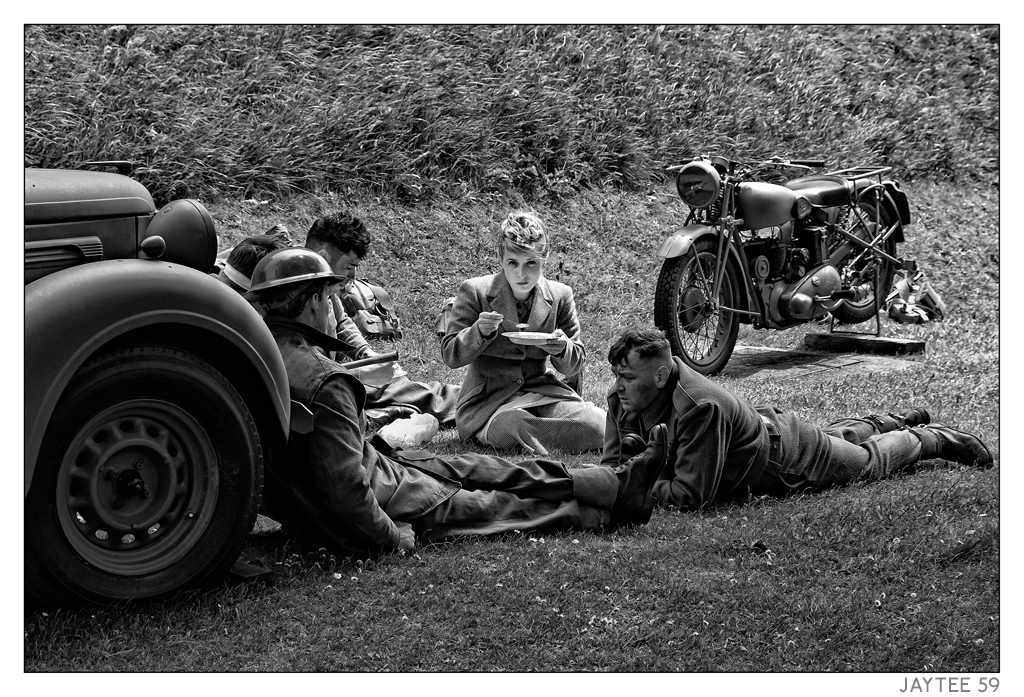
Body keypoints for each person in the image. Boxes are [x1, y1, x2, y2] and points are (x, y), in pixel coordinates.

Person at [246, 247, 669, 555]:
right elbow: (345, 489)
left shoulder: (252, 360)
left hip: (375, 473)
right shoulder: (326, 381)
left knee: (481, 467)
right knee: (498, 506)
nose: (332, 307)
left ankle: (611, 482)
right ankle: (611, 508)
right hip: (386, 501)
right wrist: (389, 537)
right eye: (329, 298)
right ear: (313, 302)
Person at [599, 326, 993, 510]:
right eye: (617, 375)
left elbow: (690, 495)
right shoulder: (622, 399)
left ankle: (930, 438)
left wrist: (635, 485)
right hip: (768, 430)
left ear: (661, 376)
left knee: (866, 463)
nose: (618, 387)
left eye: (627, 377)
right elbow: (611, 468)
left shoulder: (700, 407)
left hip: (787, 456)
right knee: (839, 441)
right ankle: (889, 420)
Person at [440, 211, 605, 456]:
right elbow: (450, 356)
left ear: (544, 258)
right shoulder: (476, 291)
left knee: (599, 423)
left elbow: (575, 363)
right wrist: (478, 332)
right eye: (513, 263)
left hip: (542, 392)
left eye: (531, 263)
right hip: (490, 402)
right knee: (513, 424)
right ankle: (562, 436)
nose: (522, 274)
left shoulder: (560, 295)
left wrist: (562, 348)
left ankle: (546, 436)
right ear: (501, 259)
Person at [303, 211, 461, 428]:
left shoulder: (326, 287)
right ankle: (472, 406)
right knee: (400, 389)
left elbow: (341, 321)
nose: (352, 278)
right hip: (323, 385)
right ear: (323, 257)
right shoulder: (298, 297)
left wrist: (365, 353)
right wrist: (358, 372)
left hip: (335, 376)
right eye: (348, 267)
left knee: (398, 384)